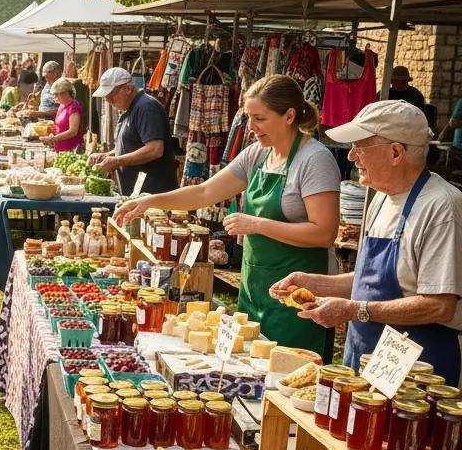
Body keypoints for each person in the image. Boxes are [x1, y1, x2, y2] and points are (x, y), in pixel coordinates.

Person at [119, 74, 340, 357]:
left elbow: (324, 233)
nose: (251, 128)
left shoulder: (314, 160)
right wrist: (150, 201)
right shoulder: (258, 155)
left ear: (289, 116)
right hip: (255, 289)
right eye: (249, 118)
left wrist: (258, 224)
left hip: (296, 299)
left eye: (259, 118)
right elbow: (203, 193)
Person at [274, 101, 462, 383]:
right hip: (364, 361)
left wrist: (355, 310)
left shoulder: (441, 207)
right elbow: (370, 282)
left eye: (360, 147)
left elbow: (439, 304)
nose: (351, 156)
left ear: (396, 152)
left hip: (417, 377)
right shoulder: (380, 199)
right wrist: (313, 282)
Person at [88, 66, 177, 194]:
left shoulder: (146, 107)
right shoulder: (131, 108)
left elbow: (155, 149)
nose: (108, 100)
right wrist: (107, 155)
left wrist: (117, 161)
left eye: (111, 95)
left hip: (152, 192)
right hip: (138, 192)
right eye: (105, 96)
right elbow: (130, 146)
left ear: (128, 89)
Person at [39, 77, 84, 153]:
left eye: (57, 95)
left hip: (71, 149)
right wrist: (52, 131)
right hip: (60, 149)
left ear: (65, 93)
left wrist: (53, 139)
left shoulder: (74, 107)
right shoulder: (62, 105)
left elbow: (73, 131)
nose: (55, 98)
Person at [389, 65, 437, 130]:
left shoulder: (415, 95)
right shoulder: (386, 93)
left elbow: (417, 116)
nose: (399, 83)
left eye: (402, 81)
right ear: (392, 81)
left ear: (406, 81)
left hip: (410, 128)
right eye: (396, 80)